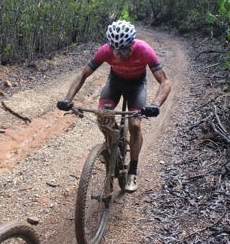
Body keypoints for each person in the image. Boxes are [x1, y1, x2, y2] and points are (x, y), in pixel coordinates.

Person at [57, 20, 171, 192]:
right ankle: (112, 142)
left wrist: (155, 104)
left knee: (134, 124)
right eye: (114, 49)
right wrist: (68, 98)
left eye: (123, 49)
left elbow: (165, 81)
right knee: (103, 116)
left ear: (132, 44)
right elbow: (83, 74)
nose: (117, 54)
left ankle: (132, 170)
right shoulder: (105, 50)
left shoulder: (144, 50)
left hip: (136, 87)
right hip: (115, 83)